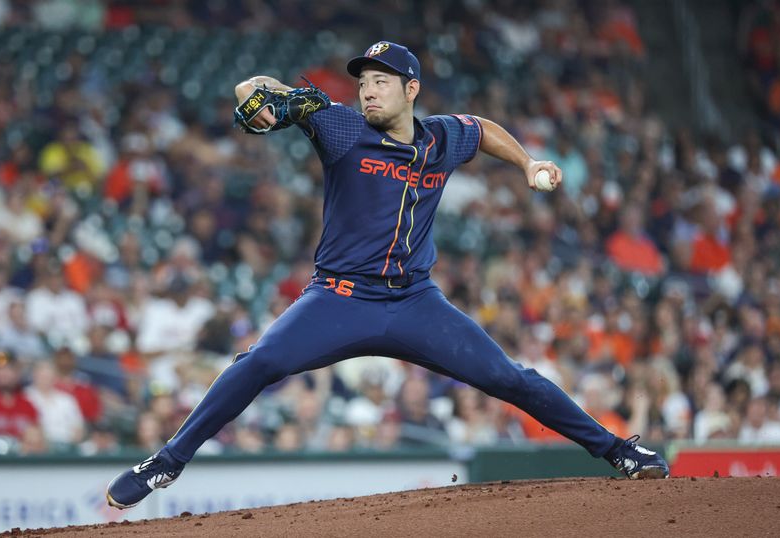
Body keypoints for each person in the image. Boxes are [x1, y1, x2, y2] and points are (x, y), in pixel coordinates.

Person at [107, 41, 669, 509]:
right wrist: (265, 99)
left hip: (415, 303)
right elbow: (252, 90)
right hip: (339, 299)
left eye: (381, 80)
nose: (368, 90)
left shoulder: (442, 139)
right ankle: (166, 462)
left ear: (411, 90)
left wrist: (526, 163)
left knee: (509, 378)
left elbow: (483, 128)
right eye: (363, 82)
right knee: (259, 362)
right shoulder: (342, 129)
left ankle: (619, 450)